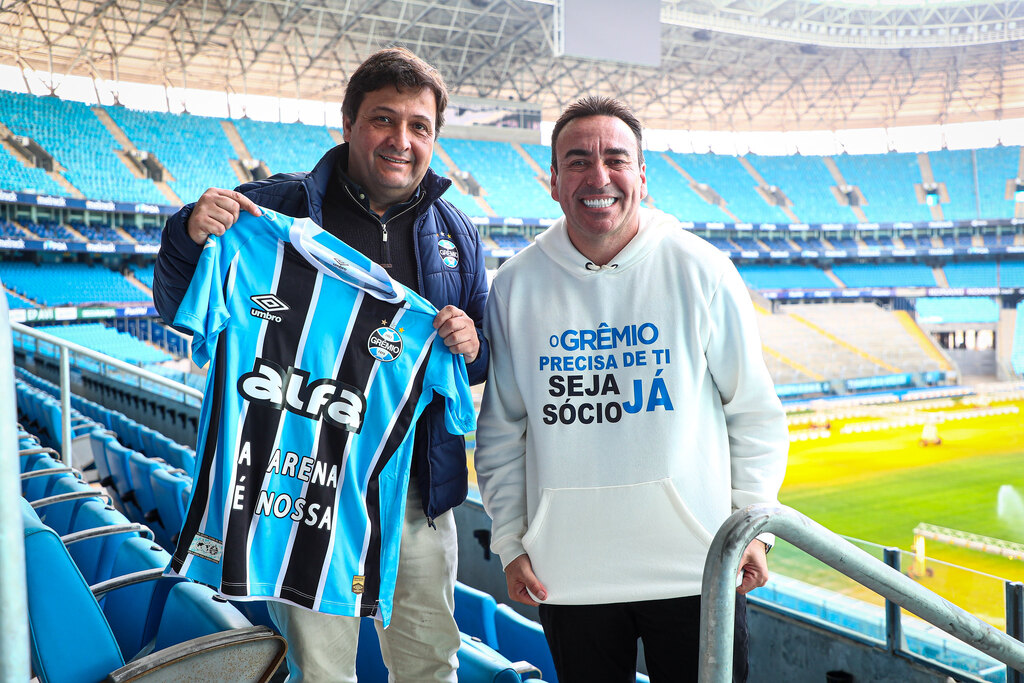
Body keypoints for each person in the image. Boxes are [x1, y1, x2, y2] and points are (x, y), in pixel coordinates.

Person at [153, 47, 489, 682]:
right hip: (306, 487)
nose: (402, 140)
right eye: (384, 120)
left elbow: (479, 367)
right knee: (323, 670)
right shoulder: (269, 212)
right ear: (348, 124)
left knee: (429, 664)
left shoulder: (457, 234)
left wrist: (471, 346)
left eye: (419, 127)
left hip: (419, 493)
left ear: (435, 139)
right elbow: (177, 300)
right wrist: (189, 234)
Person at [474, 96, 788, 682]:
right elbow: (501, 429)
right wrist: (512, 541)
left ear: (642, 177)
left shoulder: (703, 269)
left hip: (698, 568)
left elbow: (754, 415)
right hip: (569, 573)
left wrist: (753, 531)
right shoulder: (516, 285)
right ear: (553, 180)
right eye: (577, 161)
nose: (599, 177)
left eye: (616, 160)